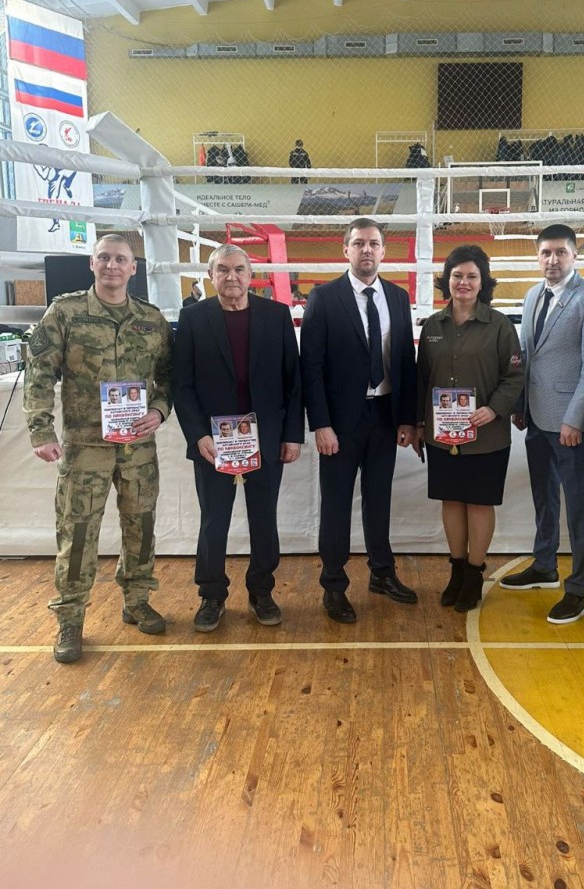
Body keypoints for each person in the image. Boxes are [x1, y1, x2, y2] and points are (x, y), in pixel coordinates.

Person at [23, 234, 173, 664]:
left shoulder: (151, 320)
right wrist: (40, 431)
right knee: (78, 533)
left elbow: (168, 376)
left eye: (120, 259)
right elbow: (39, 374)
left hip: (138, 446)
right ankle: (70, 617)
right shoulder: (66, 312)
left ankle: (137, 599)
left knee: (141, 525)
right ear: (92, 264)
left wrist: (159, 411)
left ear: (133, 268)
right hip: (85, 446)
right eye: (104, 258)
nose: (112, 265)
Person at [173, 244, 304, 631]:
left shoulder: (277, 315)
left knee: (264, 518)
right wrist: (198, 435)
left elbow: (293, 382)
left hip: (266, 438)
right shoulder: (193, 318)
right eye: (223, 270)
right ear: (211, 276)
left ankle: (261, 591)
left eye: (239, 269)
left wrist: (292, 435)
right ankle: (211, 594)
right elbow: (182, 385)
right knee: (214, 520)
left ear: (251, 275)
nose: (232, 276)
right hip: (213, 442)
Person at [300, 217, 418, 623]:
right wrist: (321, 424)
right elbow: (311, 367)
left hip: (384, 414)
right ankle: (333, 585)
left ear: (383, 251)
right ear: (345, 250)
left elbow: (405, 362)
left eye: (373, 243)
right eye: (359, 243)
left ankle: (382, 573)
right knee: (335, 504)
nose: (366, 250)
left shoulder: (398, 297)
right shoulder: (323, 297)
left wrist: (407, 418)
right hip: (339, 422)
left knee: (378, 499)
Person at [507, 224, 584, 623]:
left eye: (560, 252)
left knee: (579, 504)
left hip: (571, 422)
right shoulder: (532, 295)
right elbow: (527, 354)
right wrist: (520, 404)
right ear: (538, 257)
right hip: (537, 415)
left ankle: (579, 589)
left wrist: (577, 418)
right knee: (544, 495)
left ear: (574, 255)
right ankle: (544, 566)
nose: (552, 260)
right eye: (545, 253)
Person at [415, 245, 524, 611]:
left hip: (486, 436)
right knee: (451, 500)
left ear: (483, 282)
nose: (463, 282)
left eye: (471, 276)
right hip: (442, 435)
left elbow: (515, 375)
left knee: (478, 503)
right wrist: (419, 424)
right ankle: (457, 571)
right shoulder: (433, 326)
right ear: (447, 280)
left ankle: (475, 574)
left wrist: (493, 409)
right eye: (457, 275)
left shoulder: (500, 325)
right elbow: (421, 378)